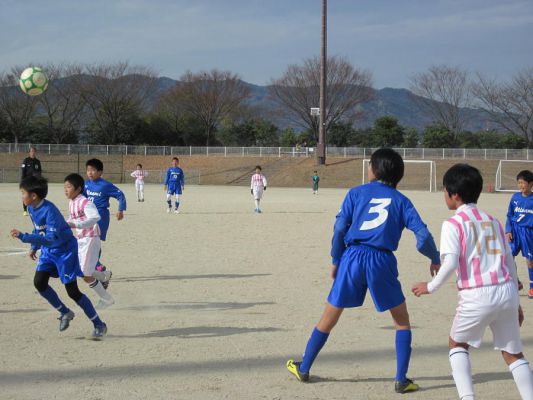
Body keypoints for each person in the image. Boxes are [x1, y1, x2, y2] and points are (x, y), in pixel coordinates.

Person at [286, 148, 440, 393]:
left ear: (374, 170)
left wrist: (336, 259)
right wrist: (434, 258)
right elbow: (422, 236)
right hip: (382, 259)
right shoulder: (402, 201)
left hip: (353, 257)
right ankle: (401, 379)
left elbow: (339, 228)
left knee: (330, 315)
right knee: (401, 320)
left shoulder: (356, 193)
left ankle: (304, 368)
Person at [412, 164, 533, 400]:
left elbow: (450, 263)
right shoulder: (493, 221)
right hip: (506, 291)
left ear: (454, 194)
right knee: (513, 353)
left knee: (457, 344)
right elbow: (509, 261)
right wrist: (516, 302)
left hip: (476, 295)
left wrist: (430, 286)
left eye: (445, 190)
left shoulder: (453, 224)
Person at [10, 176, 107, 339]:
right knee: (39, 282)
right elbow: (38, 230)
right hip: (49, 252)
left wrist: (24, 237)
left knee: (73, 292)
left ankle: (99, 324)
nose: (21, 196)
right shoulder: (32, 208)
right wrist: (34, 246)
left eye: (23, 193)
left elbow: (50, 238)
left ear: (33, 196)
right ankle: (65, 312)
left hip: (65, 252)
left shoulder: (50, 211)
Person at [64, 173, 114, 309]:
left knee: (85, 274)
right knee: (81, 270)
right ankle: (104, 275)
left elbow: (95, 217)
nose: (65, 190)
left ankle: (107, 299)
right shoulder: (71, 202)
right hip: (81, 239)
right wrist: (63, 224)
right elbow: (72, 218)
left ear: (78, 189)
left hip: (90, 238)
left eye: (68, 187)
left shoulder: (85, 202)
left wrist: (76, 225)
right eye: (65, 187)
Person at [84, 158, 127, 285]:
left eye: (93, 170)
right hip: (87, 217)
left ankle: (97, 265)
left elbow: (120, 195)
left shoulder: (105, 185)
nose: (90, 172)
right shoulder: (85, 185)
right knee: (88, 242)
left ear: (100, 172)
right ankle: (98, 266)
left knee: (94, 241)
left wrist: (120, 210)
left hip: (100, 217)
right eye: (88, 170)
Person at [505, 170, 533, 298]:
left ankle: (532, 287)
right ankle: (516, 282)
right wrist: (508, 230)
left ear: (531, 184)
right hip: (515, 232)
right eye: (519, 183)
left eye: (523, 183)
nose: (521, 185)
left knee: (530, 260)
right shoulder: (515, 197)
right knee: (508, 257)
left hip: (528, 232)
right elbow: (509, 215)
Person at [20, 146, 42, 216]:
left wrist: (40, 181)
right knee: (26, 195)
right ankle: (25, 210)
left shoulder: (37, 161)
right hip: (27, 181)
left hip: (35, 181)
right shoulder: (26, 160)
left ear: (35, 152)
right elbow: (23, 171)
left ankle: (34, 209)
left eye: (34, 151)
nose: (33, 152)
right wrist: (22, 181)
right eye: (31, 151)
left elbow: (39, 172)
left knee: (35, 195)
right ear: (29, 152)